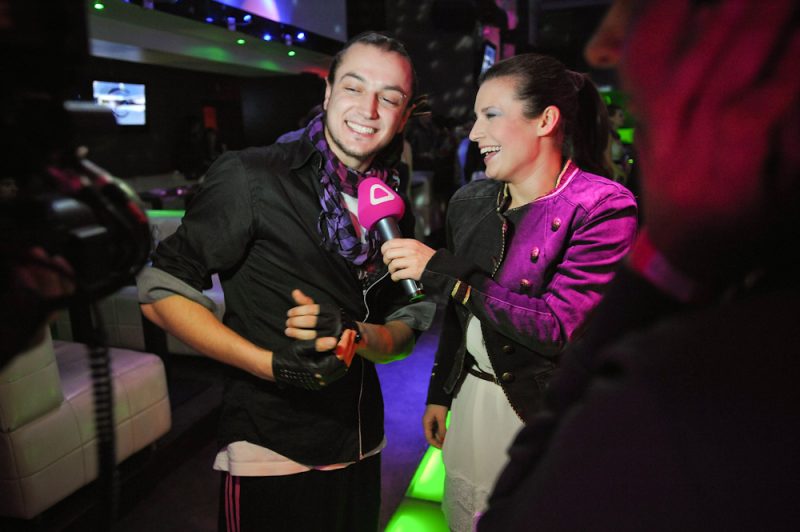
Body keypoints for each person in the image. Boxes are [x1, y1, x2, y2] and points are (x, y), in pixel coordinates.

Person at [478, 0, 800, 529]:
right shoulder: (474, 202)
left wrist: (662, 266)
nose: (602, 46)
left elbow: (518, 511)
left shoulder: (695, 391)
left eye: (640, 6)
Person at [138, 32, 435, 532]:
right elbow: (160, 290)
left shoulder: (387, 198)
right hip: (271, 450)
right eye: (354, 87)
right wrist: (271, 366)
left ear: (403, 116)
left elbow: (401, 330)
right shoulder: (252, 176)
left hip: (361, 443)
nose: (368, 109)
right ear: (328, 93)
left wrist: (358, 335)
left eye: (389, 97)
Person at [381, 52, 638, 530]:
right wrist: (441, 392)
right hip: (472, 404)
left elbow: (556, 326)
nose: (474, 133)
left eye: (491, 115)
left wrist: (447, 271)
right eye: (476, 117)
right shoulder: (470, 201)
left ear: (545, 120)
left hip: (538, 413)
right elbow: (460, 315)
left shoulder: (602, 206)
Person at [606, 103, 630, 183]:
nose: (623, 118)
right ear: (611, 118)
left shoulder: (617, 136)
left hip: (619, 175)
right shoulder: (608, 135)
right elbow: (607, 159)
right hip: (612, 175)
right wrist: (622, 173)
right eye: (620, 115)